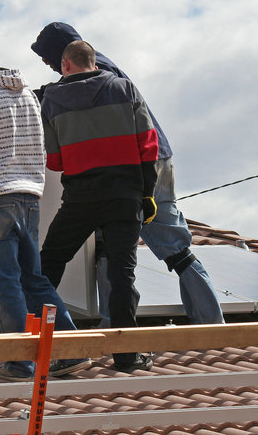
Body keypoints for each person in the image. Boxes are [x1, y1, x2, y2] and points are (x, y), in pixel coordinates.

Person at [31, 22, 225, 326]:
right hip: (143, 163)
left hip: (144, 165)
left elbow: (82, 102)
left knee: (170, 247)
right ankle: (120, 326)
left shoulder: (100, 74)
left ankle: (209, 323)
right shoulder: (101, 69)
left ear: (63, 57)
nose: (47, 65)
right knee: (118, 249)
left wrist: (36, 97)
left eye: (47, 59)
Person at [0, 33, 90, 381]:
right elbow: (39, 146)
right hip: (29, 197)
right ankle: (69, 352)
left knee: (2, 282)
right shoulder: (26, 94)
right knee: (33, 279)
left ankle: (17, 361)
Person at [37, 40, 158, 372]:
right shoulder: (124, 88)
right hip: (124, 196)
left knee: (48, 264)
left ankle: (40, 338)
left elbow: (56, 161)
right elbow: (149, 147)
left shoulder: (52, 99)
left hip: (81, 198)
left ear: (66, 65)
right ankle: (127, 357)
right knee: (122, 276)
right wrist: (146, 194)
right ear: (94, 62)